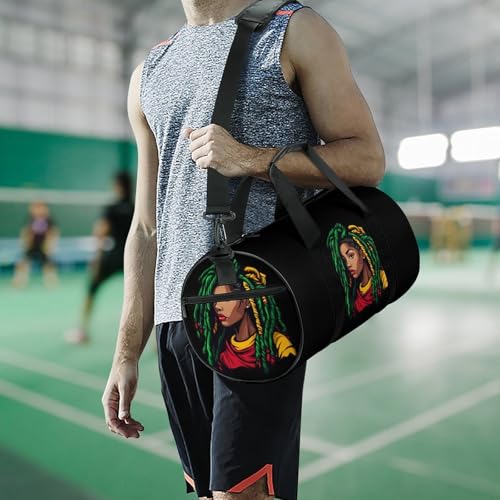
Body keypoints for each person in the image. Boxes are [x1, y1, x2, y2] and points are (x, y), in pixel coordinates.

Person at [102, 1, 385, 499]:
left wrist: (252, 158)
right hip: (176, 322)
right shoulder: (149, 73)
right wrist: (126, 352)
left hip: (259, 307)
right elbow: (146, 228)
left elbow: (367, 159)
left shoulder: (294, 31)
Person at [65, 171, 134, 344]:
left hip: (113, 256)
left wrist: (96, 258)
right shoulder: (135, 206)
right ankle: (155, 340)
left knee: (92, 288)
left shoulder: (111, 209)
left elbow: (101, 232)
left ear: (117, 186)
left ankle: (82, 330)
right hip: (132, 256)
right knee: (143, 296)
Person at [193, 263, 296, 374]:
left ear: (246, 301)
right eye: (214, 300)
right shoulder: (221, 352)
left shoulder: (277, 344)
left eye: (225, 298)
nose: (217, 306)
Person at [327, 223, 388, 317]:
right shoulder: (354, 299)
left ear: (362, 253)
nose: (348, 264)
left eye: (351, 255)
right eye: (344, 260)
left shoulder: (383, 279)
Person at [12, 200, 59, 288]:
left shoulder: (49, 220)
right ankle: (19, 282)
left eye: (41, 207)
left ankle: (52, 282)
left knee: (49, 264)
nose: (38, 210)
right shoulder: (30, 219)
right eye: (35, 207)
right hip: (31, 246)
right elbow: (25, 232)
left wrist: (50, 245)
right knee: (23, 263)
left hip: (44, 247)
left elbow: (53, 232)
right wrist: (25, 243)